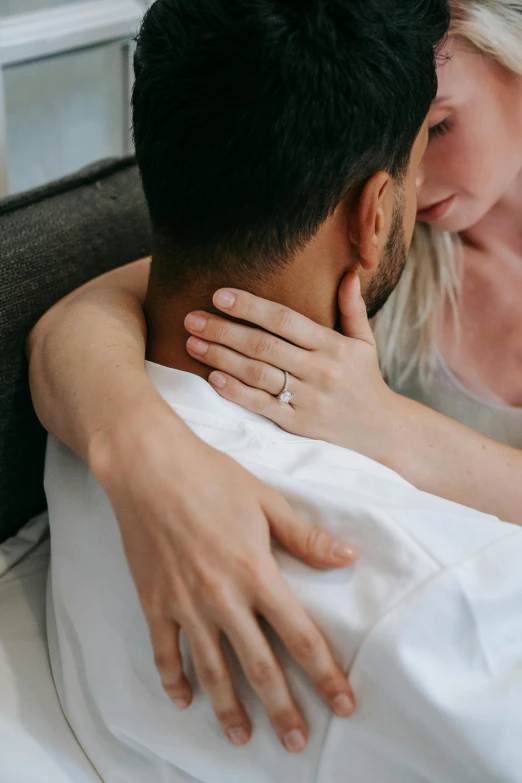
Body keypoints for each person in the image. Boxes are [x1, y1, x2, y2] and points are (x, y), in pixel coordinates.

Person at [27, 0, 522, 753]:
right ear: (374, 214)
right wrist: (144, 453)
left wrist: (390, 426)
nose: (421, 186)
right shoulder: (346, 240)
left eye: (439, 127)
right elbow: (130, 298)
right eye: (420, 139)